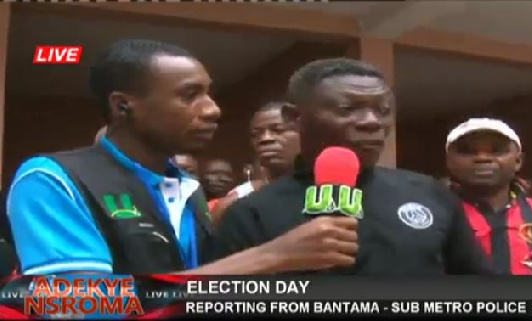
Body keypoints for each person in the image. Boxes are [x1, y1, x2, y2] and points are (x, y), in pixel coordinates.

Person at [6, 39, 358, 275]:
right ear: (123, 105)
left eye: (209, 94)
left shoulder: (187, 189)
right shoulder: (52, 178)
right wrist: (271, 256)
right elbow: (80, 304)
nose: (213, 110)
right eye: (191, 96)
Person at [213, 58, 493, 275]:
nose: (372, 122)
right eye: (348, 109)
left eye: (383, 110)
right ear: (294, 118)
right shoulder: (250, 214)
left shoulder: (430, 194)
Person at [445, 118, 532, 275]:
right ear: (449, 161)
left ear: (518, 161)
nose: (482, 158)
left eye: (497, 150)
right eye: (467, 151)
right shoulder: (432, 214)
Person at [209, 101, 300, 222]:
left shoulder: (324, 188)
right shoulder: (236, 202)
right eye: (256, 134)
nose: (265, 139)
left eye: (278, 130)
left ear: (303, 133)